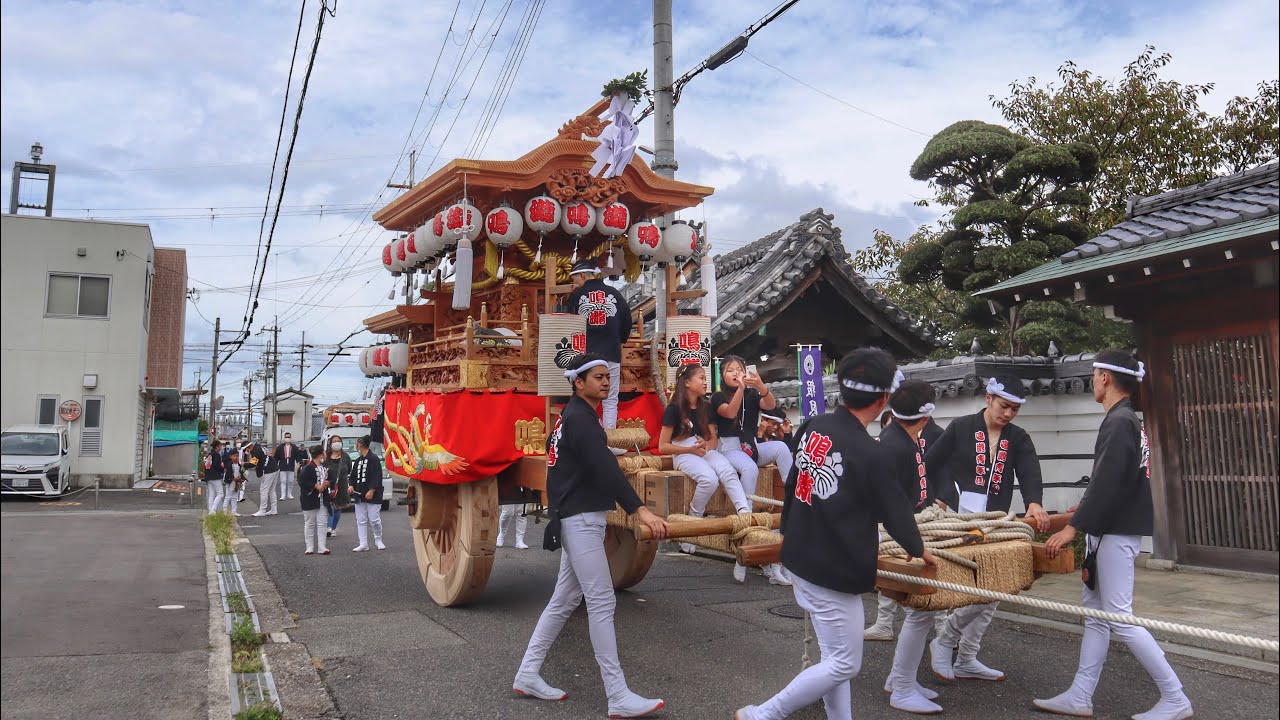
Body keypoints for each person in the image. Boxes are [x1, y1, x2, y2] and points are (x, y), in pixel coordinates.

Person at [735, 348, 936, 720]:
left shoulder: (815, 426)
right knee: (845, 664)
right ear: (883, 400)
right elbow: (896, 512)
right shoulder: (869, 452)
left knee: (834, 658)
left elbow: (795, 484)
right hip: (830, 568)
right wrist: (919, 549)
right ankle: (762, 714)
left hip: (800, 553)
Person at [1035, 351, 1192, 720]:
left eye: (1094, 376)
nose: (1092, 382)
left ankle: (1175, 696)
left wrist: (1073, 527)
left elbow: (1107, 481)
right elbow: (1110, 480)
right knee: (1097, 616)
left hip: (1114, 532)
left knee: (1120, 617)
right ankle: (1080, 695)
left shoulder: (1118, 421)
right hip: (1112, 529)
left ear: (1104, 377)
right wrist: (1081, 510)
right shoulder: (1127, 420)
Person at [513, 353, 670, 718]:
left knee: (564, 600)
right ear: (578, 383)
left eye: (607, 376)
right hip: (580, 519)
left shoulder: (574, 419)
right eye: (597, 376)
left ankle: (528, 673)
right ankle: (617, 695)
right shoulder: (581, 421)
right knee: (601, 602)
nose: (605, 381)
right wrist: (641, 509)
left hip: (578, 516)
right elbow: (606, 470)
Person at [924, 374, 1050, 683]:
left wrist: (1034, 501)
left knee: (996, 587)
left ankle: (966, 655)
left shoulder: (1017, 437)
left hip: (994, 520)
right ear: (988, 399)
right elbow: (930, 464)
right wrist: (938, 498)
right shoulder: (960, 427)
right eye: (1004, 406)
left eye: (1014, 410)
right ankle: (943, 640)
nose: (1007, 414)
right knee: (958, 583)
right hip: (958, 517)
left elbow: (1029, 468)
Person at [878, 380, 949, 714]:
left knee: (923, 610)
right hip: (897, 532)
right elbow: (891, 505)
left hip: (911, 525)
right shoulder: (895, 445)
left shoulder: (900, 437)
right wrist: (914, 545)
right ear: (926, 415)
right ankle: (902, 687)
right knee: (921, 609)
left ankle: (899, 677)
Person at [710, 355, 792, 585]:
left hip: (751, 446)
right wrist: (740, 389)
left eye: (740, 369)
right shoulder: (717, 396)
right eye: (730, 370)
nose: (735, 373)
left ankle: (793, 493)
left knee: (782, 449)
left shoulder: (753, 393)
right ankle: (745, 516)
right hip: (729, 447)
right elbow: (729, 413)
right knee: (748, 468)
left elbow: (771, 406)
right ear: (723, 376)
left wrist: (760, 386)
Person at [657, 363, 751, 554]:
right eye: (701, 378)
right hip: (682, 451)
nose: (705, 382)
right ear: (687, 383)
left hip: (701, 448)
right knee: (709, 479)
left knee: (728, 471)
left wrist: (706, 446)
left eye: (705, 378)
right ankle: (694, 518)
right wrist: (691, 450)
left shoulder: (705, 407)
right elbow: (662, 446)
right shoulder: (673, 409)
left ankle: (745, 513)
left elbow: (713, 439)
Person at [565, 258, 633, 430]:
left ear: (581, 275)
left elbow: (569, 322)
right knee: (610, 400)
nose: (574, 283)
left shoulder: (577, 296)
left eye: (575, 279)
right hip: (611, 353)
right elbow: (627, 321)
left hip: (585, 358)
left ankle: (585, 436)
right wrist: (620, 341)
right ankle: (608, 441)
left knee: (583, 397)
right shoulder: (615, 294)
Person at [350, 435, 386, 552]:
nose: (356, 446)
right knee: (361, 520)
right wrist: (351, 486)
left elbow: (377, 476)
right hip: (359, 493)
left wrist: (372, 490)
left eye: (357, 443)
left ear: (360, 444)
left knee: (374, 519)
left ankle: (378, 539)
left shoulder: (374, 458)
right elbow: (353, 476)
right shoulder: (358, 460)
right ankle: (363, 543)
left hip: (372, 494)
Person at [298, 445, 330, 555]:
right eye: (324, 453)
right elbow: (302, 482)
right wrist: (315, 486)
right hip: (310, 499)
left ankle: (322, 546)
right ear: (320, 454)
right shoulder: (308, 467)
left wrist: (327, 483)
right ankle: (309, 546)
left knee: (322, 523)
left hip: (323, 500)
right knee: (309, 523)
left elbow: (332, 479)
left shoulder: (325, 467)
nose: (325, 455)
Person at [323, 437, 353, 537]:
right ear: (330, 444)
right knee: (330, 506)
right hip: (328, 484)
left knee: (338, 507)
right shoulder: (326, 456)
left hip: (341, 485)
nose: (337, 443)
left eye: (338, 441)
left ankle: (333, 528)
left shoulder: (345, 456)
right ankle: (329, 527)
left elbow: (349, 469)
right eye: (334, 441)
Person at [254, 441, 280, 517]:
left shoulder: (256, 451)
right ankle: (274, 509)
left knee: (263, 490)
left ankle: (262, 510)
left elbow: (253, 463)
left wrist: (244, 464)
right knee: (272, 490)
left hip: (269, 470)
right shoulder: (262, 448)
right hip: (275, 468)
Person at [274, 433, 300, 502]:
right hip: (282, 465)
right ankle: (283, 495)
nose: (287, 438)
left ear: (290, 438)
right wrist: (275, 465)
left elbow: (298, 456)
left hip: (291, 465)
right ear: (284, 438)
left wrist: (298, 463)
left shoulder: (294, 447)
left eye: (288, 437)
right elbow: (276, 457)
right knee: (283, 481)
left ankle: (289, 493)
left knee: (291, 481)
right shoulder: (280, 447)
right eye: (286, 437)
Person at [203, 440, 226, 512]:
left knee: (211, 494)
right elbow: (217, 466)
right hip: (215, 476)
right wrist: (223, 469)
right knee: (220, 494)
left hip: (208, 476)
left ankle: (210, 510)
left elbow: (206, 465)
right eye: (220, 446)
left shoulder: (209, 455)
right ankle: (213, 510)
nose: (221, 447)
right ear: (217, 447)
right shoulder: (217, 455)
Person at [222, 445, 242, 516]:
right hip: (230, 482)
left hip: (236, 482)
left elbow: (241, 472)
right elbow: (228, 475)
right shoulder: (229, 465)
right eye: (234, 456)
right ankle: (224, 511)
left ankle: (234, 511)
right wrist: (234, 478)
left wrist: (240, 479)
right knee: (228, 496)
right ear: (231, 456)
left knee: (235, 497)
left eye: (237, 456)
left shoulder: (239, 465)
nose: (236, 457)